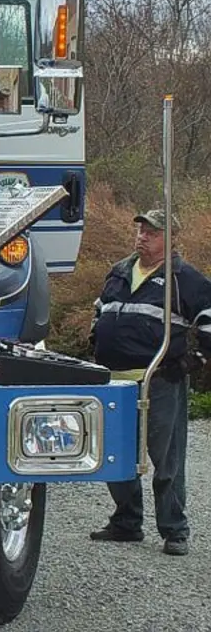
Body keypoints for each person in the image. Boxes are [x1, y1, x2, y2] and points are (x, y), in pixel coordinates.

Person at [87, 208, 211, 556]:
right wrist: (96, 336)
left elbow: (208, 322)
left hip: (159, 381)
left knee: (166, 458)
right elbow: (101, 309)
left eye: (151, 233)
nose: (142, 236)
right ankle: (127, 522)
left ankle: (175, 530)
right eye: (140, 230)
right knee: (115, 453)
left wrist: (193, 361)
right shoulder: (120, 271)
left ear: (170, 239)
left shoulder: (184, 278)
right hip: (115, 382)